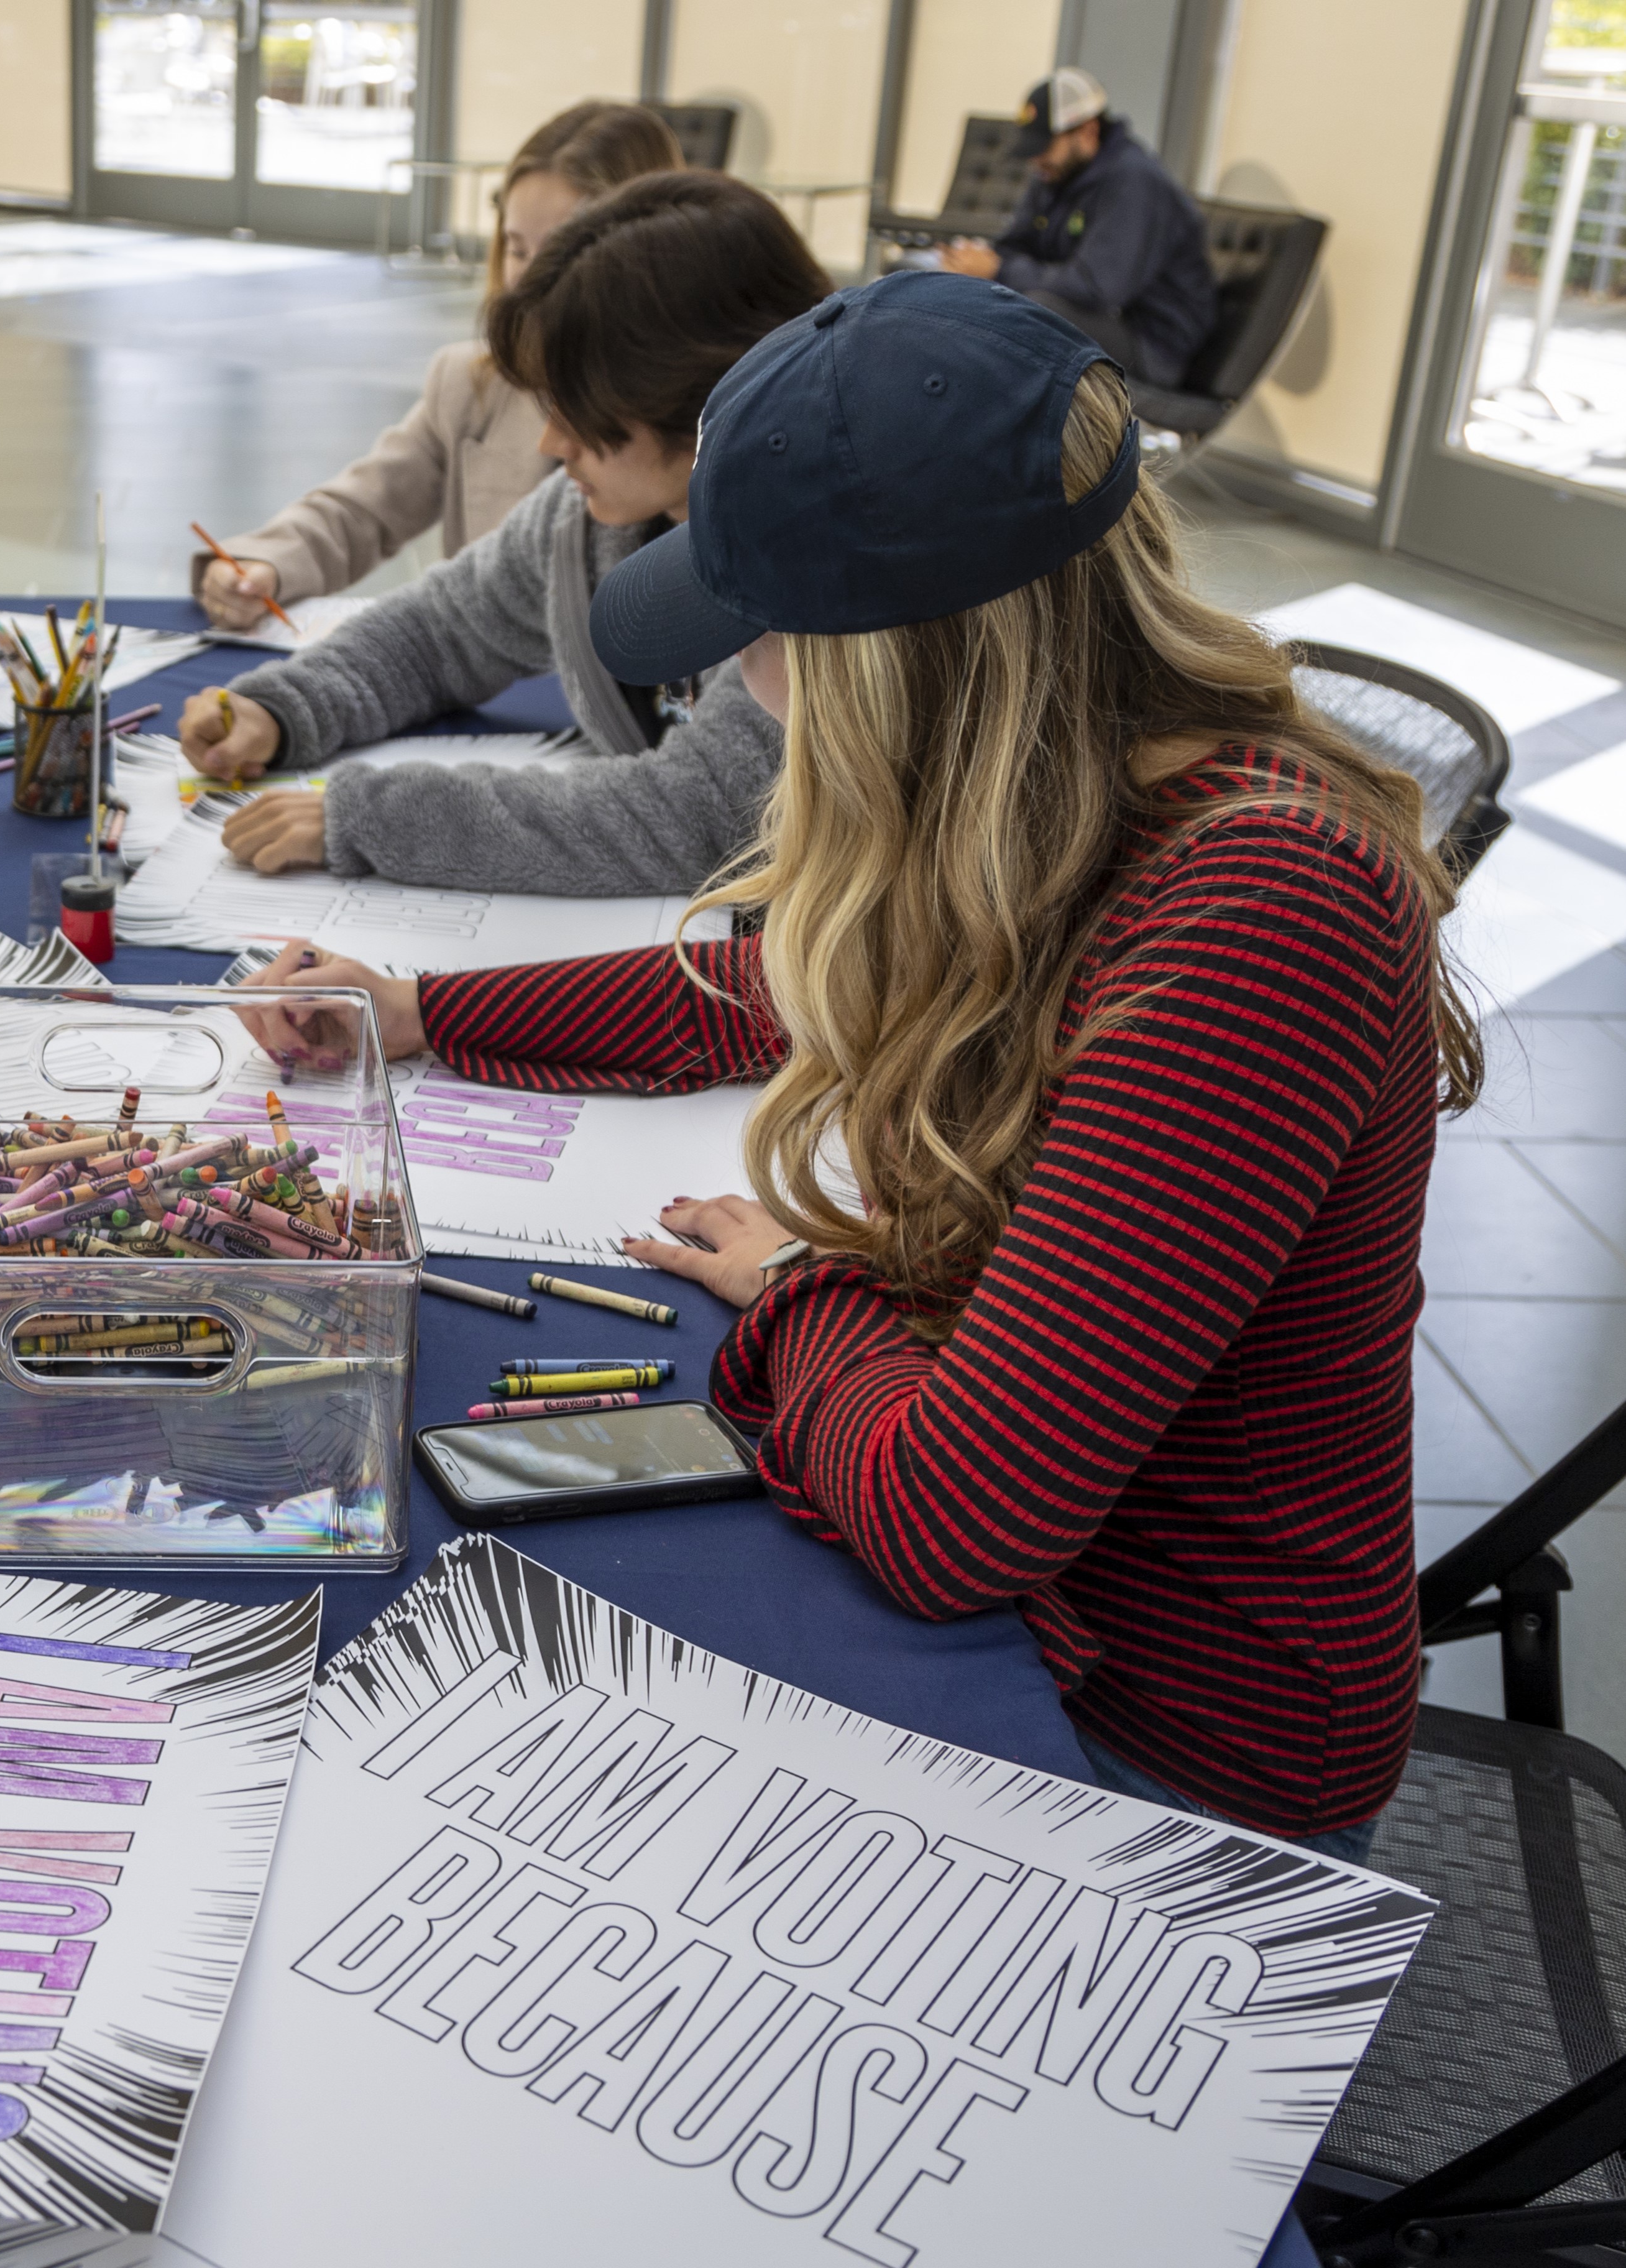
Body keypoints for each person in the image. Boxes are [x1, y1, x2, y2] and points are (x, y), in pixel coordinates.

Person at [244, 272, 1477, 1858]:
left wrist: (795, 1293)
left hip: (1163, 1753)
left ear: (903, 658)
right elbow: (768, 983)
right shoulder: (1059, 808)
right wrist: (421, 1011)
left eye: (751, 644)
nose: (733, 691)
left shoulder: (1259, 913)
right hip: (1042, 1601)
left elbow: (949, 1521)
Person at [185, 173, 825, 898]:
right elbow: (441, 630)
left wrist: (375, 819)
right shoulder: (580, 520)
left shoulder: (825, 573)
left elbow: (695, 817)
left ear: (698, 396)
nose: (552, 443)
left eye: (582, 411)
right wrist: (284, 709)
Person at [193, 101, 684, 634]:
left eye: (563, 251)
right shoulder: (471, 384)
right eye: (518, 251)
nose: (531, 282)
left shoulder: (699, 419)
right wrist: (264, 564)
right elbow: (367, 506)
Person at [940, 67, 1216, 388]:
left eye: (1045, 147)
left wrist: (1000, 270)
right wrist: (973, 263)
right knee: (956, 287)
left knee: (1040, 310)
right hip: (1098, 319)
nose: (1036, 160)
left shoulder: (1135, 182)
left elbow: (1096, 288)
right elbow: (1018, 244)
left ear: (1086, 132)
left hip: (1151, 346)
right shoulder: (1055, 173)